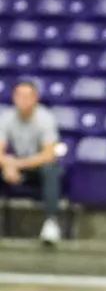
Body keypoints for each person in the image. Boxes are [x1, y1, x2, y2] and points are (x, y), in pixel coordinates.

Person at [0, 80, 62, 245]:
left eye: (28, 96)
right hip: (13, 168)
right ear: (13, 98)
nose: (23, 100)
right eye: (19, 95)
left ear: (35, 99)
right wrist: (7, 165)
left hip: (36, 170)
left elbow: (49, 155)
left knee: (51, 170)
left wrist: (15, 164)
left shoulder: (46, 118)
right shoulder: (5, 117)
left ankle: (51, 223)